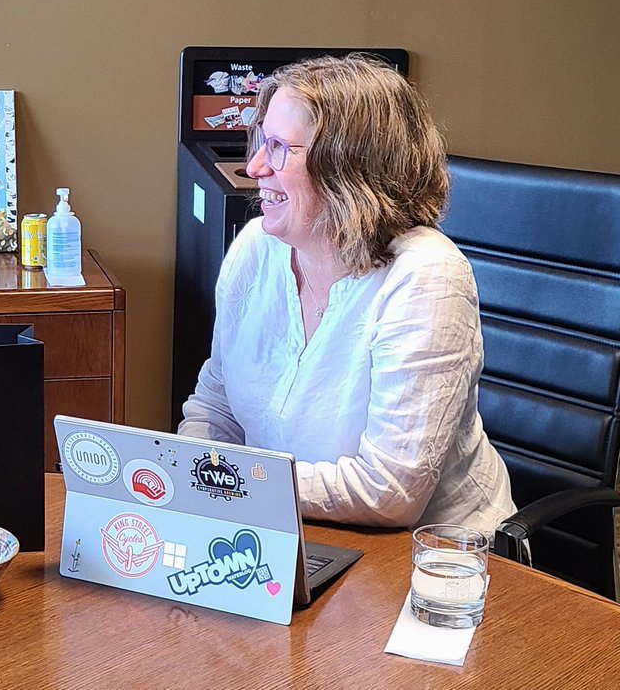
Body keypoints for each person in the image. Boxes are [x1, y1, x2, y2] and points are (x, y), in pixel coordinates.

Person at [178, 53, 514, 535]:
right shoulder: (257, 248)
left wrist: (233, 485)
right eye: (260, 142)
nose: (253, 167)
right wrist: (195, 479)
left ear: (349, 169)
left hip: (434, 564)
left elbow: (389, 492)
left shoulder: (426, 277)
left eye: (278, 148)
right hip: (290, 529)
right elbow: (218, 407)